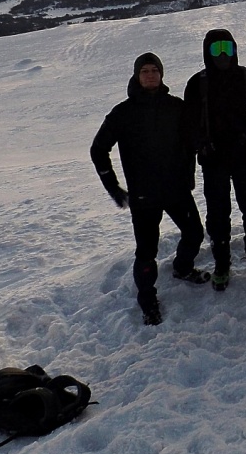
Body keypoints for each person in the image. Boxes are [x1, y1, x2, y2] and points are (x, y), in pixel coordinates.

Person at [90, 52, 210, 326]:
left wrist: (188, 175)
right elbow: (98, 149)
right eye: (145, 71)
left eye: (154, 70)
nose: (150, 75)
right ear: (137, 76)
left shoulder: (175, 106)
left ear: (161, 74)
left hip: (176, 189)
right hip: (144, 196)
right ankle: (147, 300)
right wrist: (113, 187)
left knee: (194, 233)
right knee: (146, 251)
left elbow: (190, 143)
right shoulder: (123, 112)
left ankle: (182, 268)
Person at [183, 29, 246, 290]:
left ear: (234, 49)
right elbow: (189, 123)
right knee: (217, 214)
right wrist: (202, 145)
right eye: (216, 48)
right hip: (214, 160)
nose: (222, 54)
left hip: (245, 156)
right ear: (207, 52)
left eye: (227, 47)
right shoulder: (197, 83)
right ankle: (221, 264)